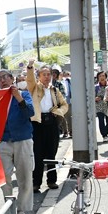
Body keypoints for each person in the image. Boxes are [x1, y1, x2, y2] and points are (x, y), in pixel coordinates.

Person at [0, 69, 35, 214]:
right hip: (3, 141)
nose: (3, 80)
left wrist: (18, 98)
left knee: (25, 176)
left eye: (5, 77)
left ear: (12, 79)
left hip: (22, 139)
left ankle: (22, 209)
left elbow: (30, 112)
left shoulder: (23, 94)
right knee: (4, 177)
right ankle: (9, 207)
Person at [27, 59, 69, 192]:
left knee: (51, 153)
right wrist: (30, 67)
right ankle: (36, 182)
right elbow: (30, 81)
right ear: (39, 76)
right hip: (37, 123)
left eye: (48, 74)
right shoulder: (34, 87)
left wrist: (58, 112)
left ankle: (52, 181)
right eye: (43, 74)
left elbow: (64, 105)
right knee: (37, 154)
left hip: (51, 123)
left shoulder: (55, 90)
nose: (46, 77)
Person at [95, 71, 108, 143]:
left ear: (106, 77)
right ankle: (104, 135)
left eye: (103, 76)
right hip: (99, 106)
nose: (102, 77)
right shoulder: (96, 87)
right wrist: (95, 98)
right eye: (100, 76)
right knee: (101, 121)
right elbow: (92, 96)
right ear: (98, 78)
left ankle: (105, 134)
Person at [61, 70, 73, 138]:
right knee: (62, 117)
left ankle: (71, 131)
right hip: (61, 101)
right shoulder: (60, 82)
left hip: (69, 101)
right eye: (65, 74)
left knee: (69, 117)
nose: (67, 76)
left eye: (68, 74)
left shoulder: (69, 81)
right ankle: (65, 131)